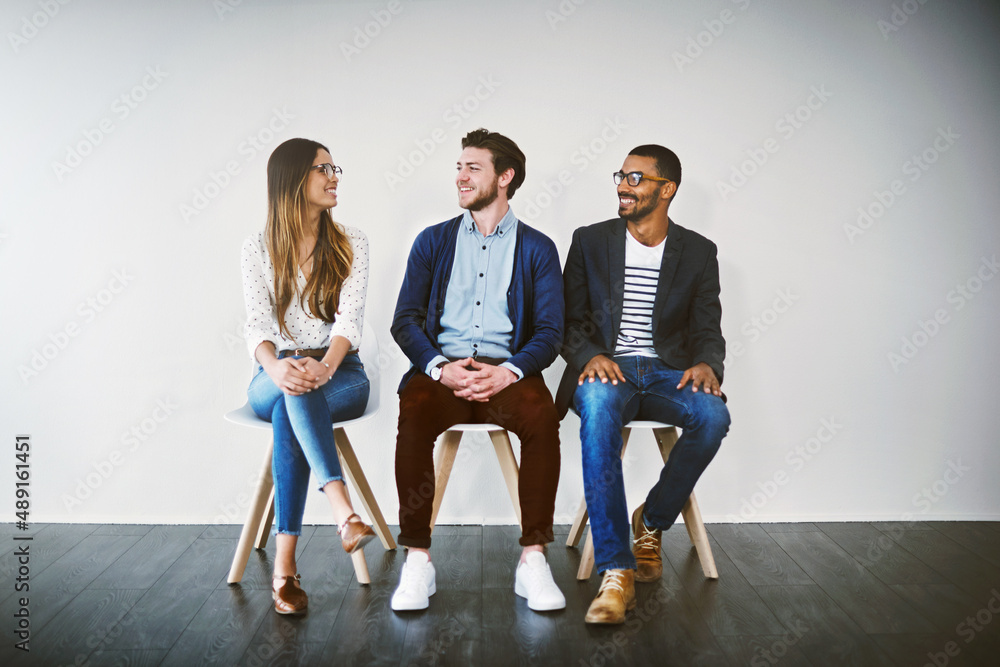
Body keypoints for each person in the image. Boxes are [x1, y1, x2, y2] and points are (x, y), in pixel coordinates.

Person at [389, 128, 565, 612]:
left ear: (504, 177)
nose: (461, 177)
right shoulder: (432, 241)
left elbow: (551, 331)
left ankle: (532, 560)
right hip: (443, 372)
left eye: (473, 168)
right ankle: (418, 561)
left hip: (508, 372)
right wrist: (439, 367)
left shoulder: (538, 248)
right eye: (459, 167)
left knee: (541, 416)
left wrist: (509, 372)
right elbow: (403, 321)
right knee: (415, 411)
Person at [557, 145, 731, 624]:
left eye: (635, 178)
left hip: (666, 371)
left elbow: (707, 326)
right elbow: (567, 320)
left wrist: (706, 364)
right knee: (596, 410)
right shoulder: (590, 241)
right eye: (621, 176)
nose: (622, 185)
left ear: (666, 189)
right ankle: (616, 570)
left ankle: (650, 521)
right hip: (606, 368)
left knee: (713, 417)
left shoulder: (697, 252)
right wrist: (590, 355)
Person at [242, 138, 376, 615]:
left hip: (341, 372)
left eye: (334, 167)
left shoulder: (352, 242)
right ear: (293, 180)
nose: (334, 176)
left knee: (290, 406)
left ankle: (285, 571)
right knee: (288, 392)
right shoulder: (256, 247)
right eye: (323, 168)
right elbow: (257, 327)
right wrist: (278, 366)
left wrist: (325, 366)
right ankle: (343, 512)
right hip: (272, 369)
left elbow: (349, 323)